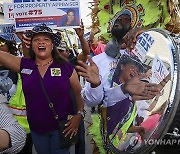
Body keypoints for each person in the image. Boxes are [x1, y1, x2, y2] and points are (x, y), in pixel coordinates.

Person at [76, 9, 163, 153]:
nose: (119, 21)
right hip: (107, 136)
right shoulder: (97, 61)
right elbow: (92, 102)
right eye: (117, 19)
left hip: (136, 135)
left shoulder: (144, 59)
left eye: (125, 19)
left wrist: (145, 34)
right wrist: (95, 85)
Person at [0, 23, 84, 154]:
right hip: (37, 130)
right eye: (36, 40)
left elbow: (79, 93)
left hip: (61, 128)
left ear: (52, 45)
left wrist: (79, 115)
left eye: (46, 39)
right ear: (32, 45)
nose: (41, 42)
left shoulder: (65, 67)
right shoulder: (24, 65)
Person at [57, 22, 90, 154]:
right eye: (57, 50)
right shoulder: (47, 66)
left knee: (79, 141)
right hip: (59, 112)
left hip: (76, 110)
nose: (59, 53)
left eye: (61, 51)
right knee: (62, 143)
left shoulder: (72, 64)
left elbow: (86, 53)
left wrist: (81, 37)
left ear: (67, 52)